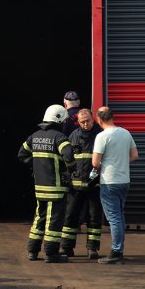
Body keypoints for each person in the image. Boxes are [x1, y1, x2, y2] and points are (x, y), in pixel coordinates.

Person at [18, 105, 76, 263]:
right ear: (58, 120)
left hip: (40, 188)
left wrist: (35, 165)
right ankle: (51, 253)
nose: (65, 124)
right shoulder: (59, 137)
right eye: (64, 121)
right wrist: (69, 170)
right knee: (54, 221)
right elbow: (69, 157)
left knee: (39, 218)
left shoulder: (34, 136)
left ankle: (32, 251)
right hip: (56, 188)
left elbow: (21, 154)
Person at [93, 106, 139, 264]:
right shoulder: (125, 133)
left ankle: (116, 252)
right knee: (119, 216)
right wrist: (121, 162)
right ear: (113, 117)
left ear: (99, 119)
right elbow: (135, 156)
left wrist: (106, 164)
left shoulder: (102, 136)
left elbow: (95, 162)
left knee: (114, 218)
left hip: (109, 182)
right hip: (124, 181)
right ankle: (118, 250)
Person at [59, 108, 103, 259]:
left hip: (94, 185)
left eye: (88, 121)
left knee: (94, 217)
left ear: (93, 119)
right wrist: (68, 178)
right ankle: (66, 247)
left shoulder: (100, 135)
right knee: (70, 216)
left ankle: (92, 249)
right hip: (76, 185)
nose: (85, 124)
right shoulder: (73, 136)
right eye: (82, 122)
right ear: (78, 122)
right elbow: (67, 159)